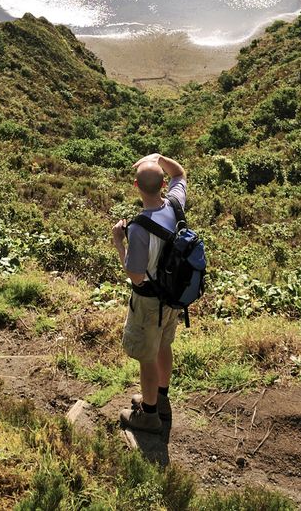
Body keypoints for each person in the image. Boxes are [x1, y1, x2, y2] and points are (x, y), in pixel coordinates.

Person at [112, 151, 187, 436]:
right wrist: (160, 157)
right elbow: (180, 173)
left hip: (149, 301)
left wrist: (119, 243)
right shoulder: (175, 204)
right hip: (172, 296)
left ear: (136, 186)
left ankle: (150, 414)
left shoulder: (139, 228)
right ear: (163, 185)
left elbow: (136, 276)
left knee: (147, 356)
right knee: (164, 345)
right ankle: (160, 398)